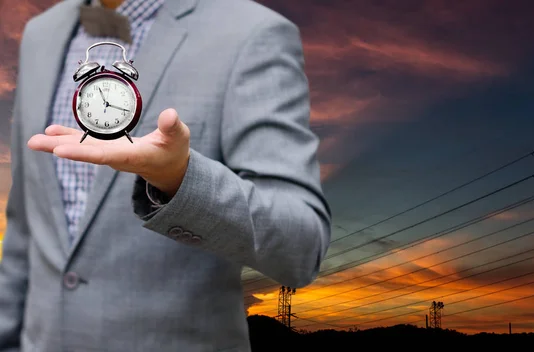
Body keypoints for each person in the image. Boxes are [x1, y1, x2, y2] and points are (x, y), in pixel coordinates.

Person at [0, 0, 331, 350]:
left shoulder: (253, 31)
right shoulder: (41, 33)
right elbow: (23, 227)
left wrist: (179, 178)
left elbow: (302, 246)